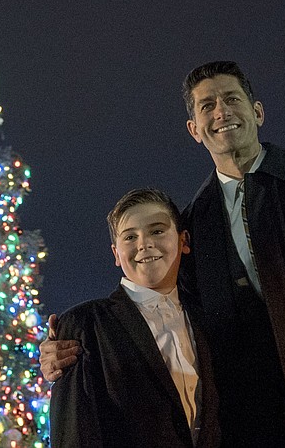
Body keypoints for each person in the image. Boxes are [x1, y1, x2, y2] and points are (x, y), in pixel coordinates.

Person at [41, 61, 285, 447]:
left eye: (231, 99)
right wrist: (74, 346)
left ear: (257, 111)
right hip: (261, 431)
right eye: (206, 106)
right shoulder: (195, 223)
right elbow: (163, 304)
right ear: (194, 130)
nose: (220, 111)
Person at [49, 188, 221, 448]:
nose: (144, 243)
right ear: (116, 254)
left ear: (184, 241)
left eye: (157, 231)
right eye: (130, 237)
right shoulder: (85, 325)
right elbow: (74, 435)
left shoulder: (208, 320)